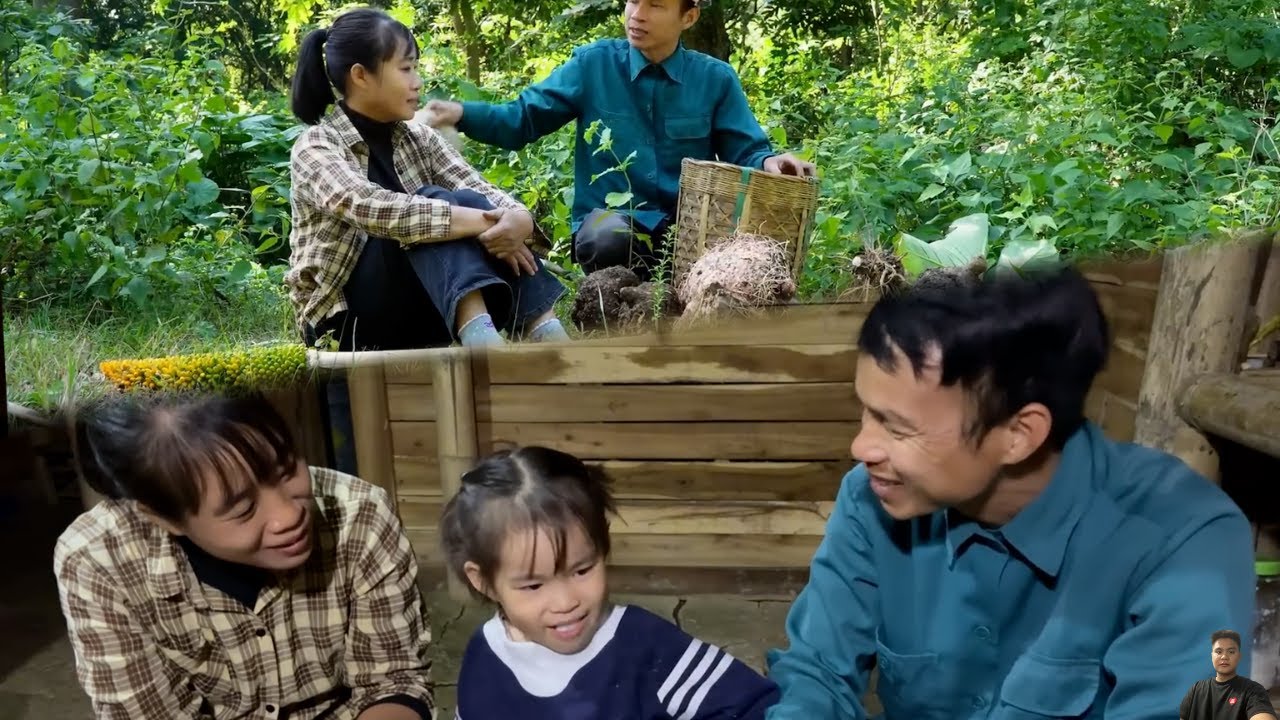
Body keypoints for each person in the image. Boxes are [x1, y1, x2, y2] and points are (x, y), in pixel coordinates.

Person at [763, 266, 1259, 718]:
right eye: (866, 412)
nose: (860, 447)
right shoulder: (872, 500)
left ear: (1019, 435)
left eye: (897, 428)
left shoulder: (1185, 541)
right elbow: (815, 676)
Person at [53, 390, 434, 720]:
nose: (289, 515)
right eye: (243, 509)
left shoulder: (360, 516)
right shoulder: (98, 563)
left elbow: (394, 680)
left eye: (286, 470)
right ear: (163, 517)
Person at [424, 0, 817, 279]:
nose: (636, 15)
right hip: (612, 230)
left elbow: (744, 147)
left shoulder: (714, 79)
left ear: (689, 16)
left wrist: (770, 162)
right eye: (631, 1)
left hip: (690, 231)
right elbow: (522, 119)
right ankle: (613, 305)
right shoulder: (593, 65)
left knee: (744, 259)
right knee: (607, 234)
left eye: (655, 5)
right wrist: (460, 114)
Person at [287, 7, 570, 351]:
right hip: (345, 321)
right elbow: (374, 208)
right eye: (406, 69)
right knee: (432, 207)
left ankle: (545, 332)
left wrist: (518, 219)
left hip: (421, 301)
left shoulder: (418, 138)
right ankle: (486, 341)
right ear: (360, 76)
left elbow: (476, 186)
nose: (417, 81)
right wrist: (480, 222)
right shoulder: (316, 145)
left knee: (462, 201)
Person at [439, 445, 780, 719]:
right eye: (533, 586)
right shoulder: (485, 655)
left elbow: (755, 707)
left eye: (582, 570)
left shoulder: (645, 647)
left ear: (602, 548)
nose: (565, 602)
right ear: (483, 581)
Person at [1180, 630, 1278, 720]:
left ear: (1239, 656)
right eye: (1218, 651)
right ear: (1211, 656)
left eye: (1231, 652)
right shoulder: (1195, 690)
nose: (1224, 656)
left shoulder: (1253, 690)